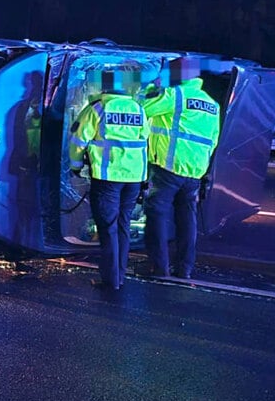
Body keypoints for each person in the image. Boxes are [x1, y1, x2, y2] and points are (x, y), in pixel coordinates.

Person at [68, 69, 149, 290]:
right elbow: (145, 138)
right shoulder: (138, 108)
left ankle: (111, 280)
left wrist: (76, 167)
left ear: (103, 87)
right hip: (133, 179)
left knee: (108, 228)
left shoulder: (97, 108)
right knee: (122, 225)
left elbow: (77, 140)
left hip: (108, 178)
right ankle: (120, 275)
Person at [143, 59, 221, 279]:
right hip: (194, 171)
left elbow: (142, 109)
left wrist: (152, 86)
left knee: (156, 215)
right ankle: (185, 269)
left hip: (168, 168)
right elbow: (213, 140)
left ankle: (159, 268)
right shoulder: (212, 104)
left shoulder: (175, 96)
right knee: (187, 220)